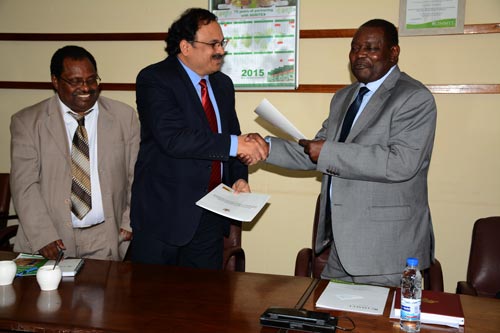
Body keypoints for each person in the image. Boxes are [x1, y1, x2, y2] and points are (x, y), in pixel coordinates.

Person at [246, 19, 437, 286]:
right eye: (355, 47)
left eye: (371, 48)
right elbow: (317, 152)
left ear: (393, 53)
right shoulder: (344, 97)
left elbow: (400, 163)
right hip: (342, 245)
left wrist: (327, 150)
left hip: (386, 250)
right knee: (326, 316)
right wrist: (267, 147)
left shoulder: (413, 97)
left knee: (377, 327)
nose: (360, 54)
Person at [130, 8, 268, 269]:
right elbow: (174, 139)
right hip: (164, 216)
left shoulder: (222, 85)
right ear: (185, 47)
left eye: (222, 42)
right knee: (151, 303)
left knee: (204, 301)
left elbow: (231, 136)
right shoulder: (155, 79)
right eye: (213, 44)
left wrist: (238, 177)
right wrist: (236, 144)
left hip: (211, 214)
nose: (221, 50)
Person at [11, 45, 140, 261]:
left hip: (107, 237)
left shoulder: (123, 117)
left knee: (107, 296)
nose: (86, 88)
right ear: (55, 81)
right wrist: (43, 236)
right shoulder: (27, 122)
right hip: (51, 239)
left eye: (91, 79)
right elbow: (24, 185)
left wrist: (129, 221)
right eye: (75, 81)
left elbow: (137, 175)